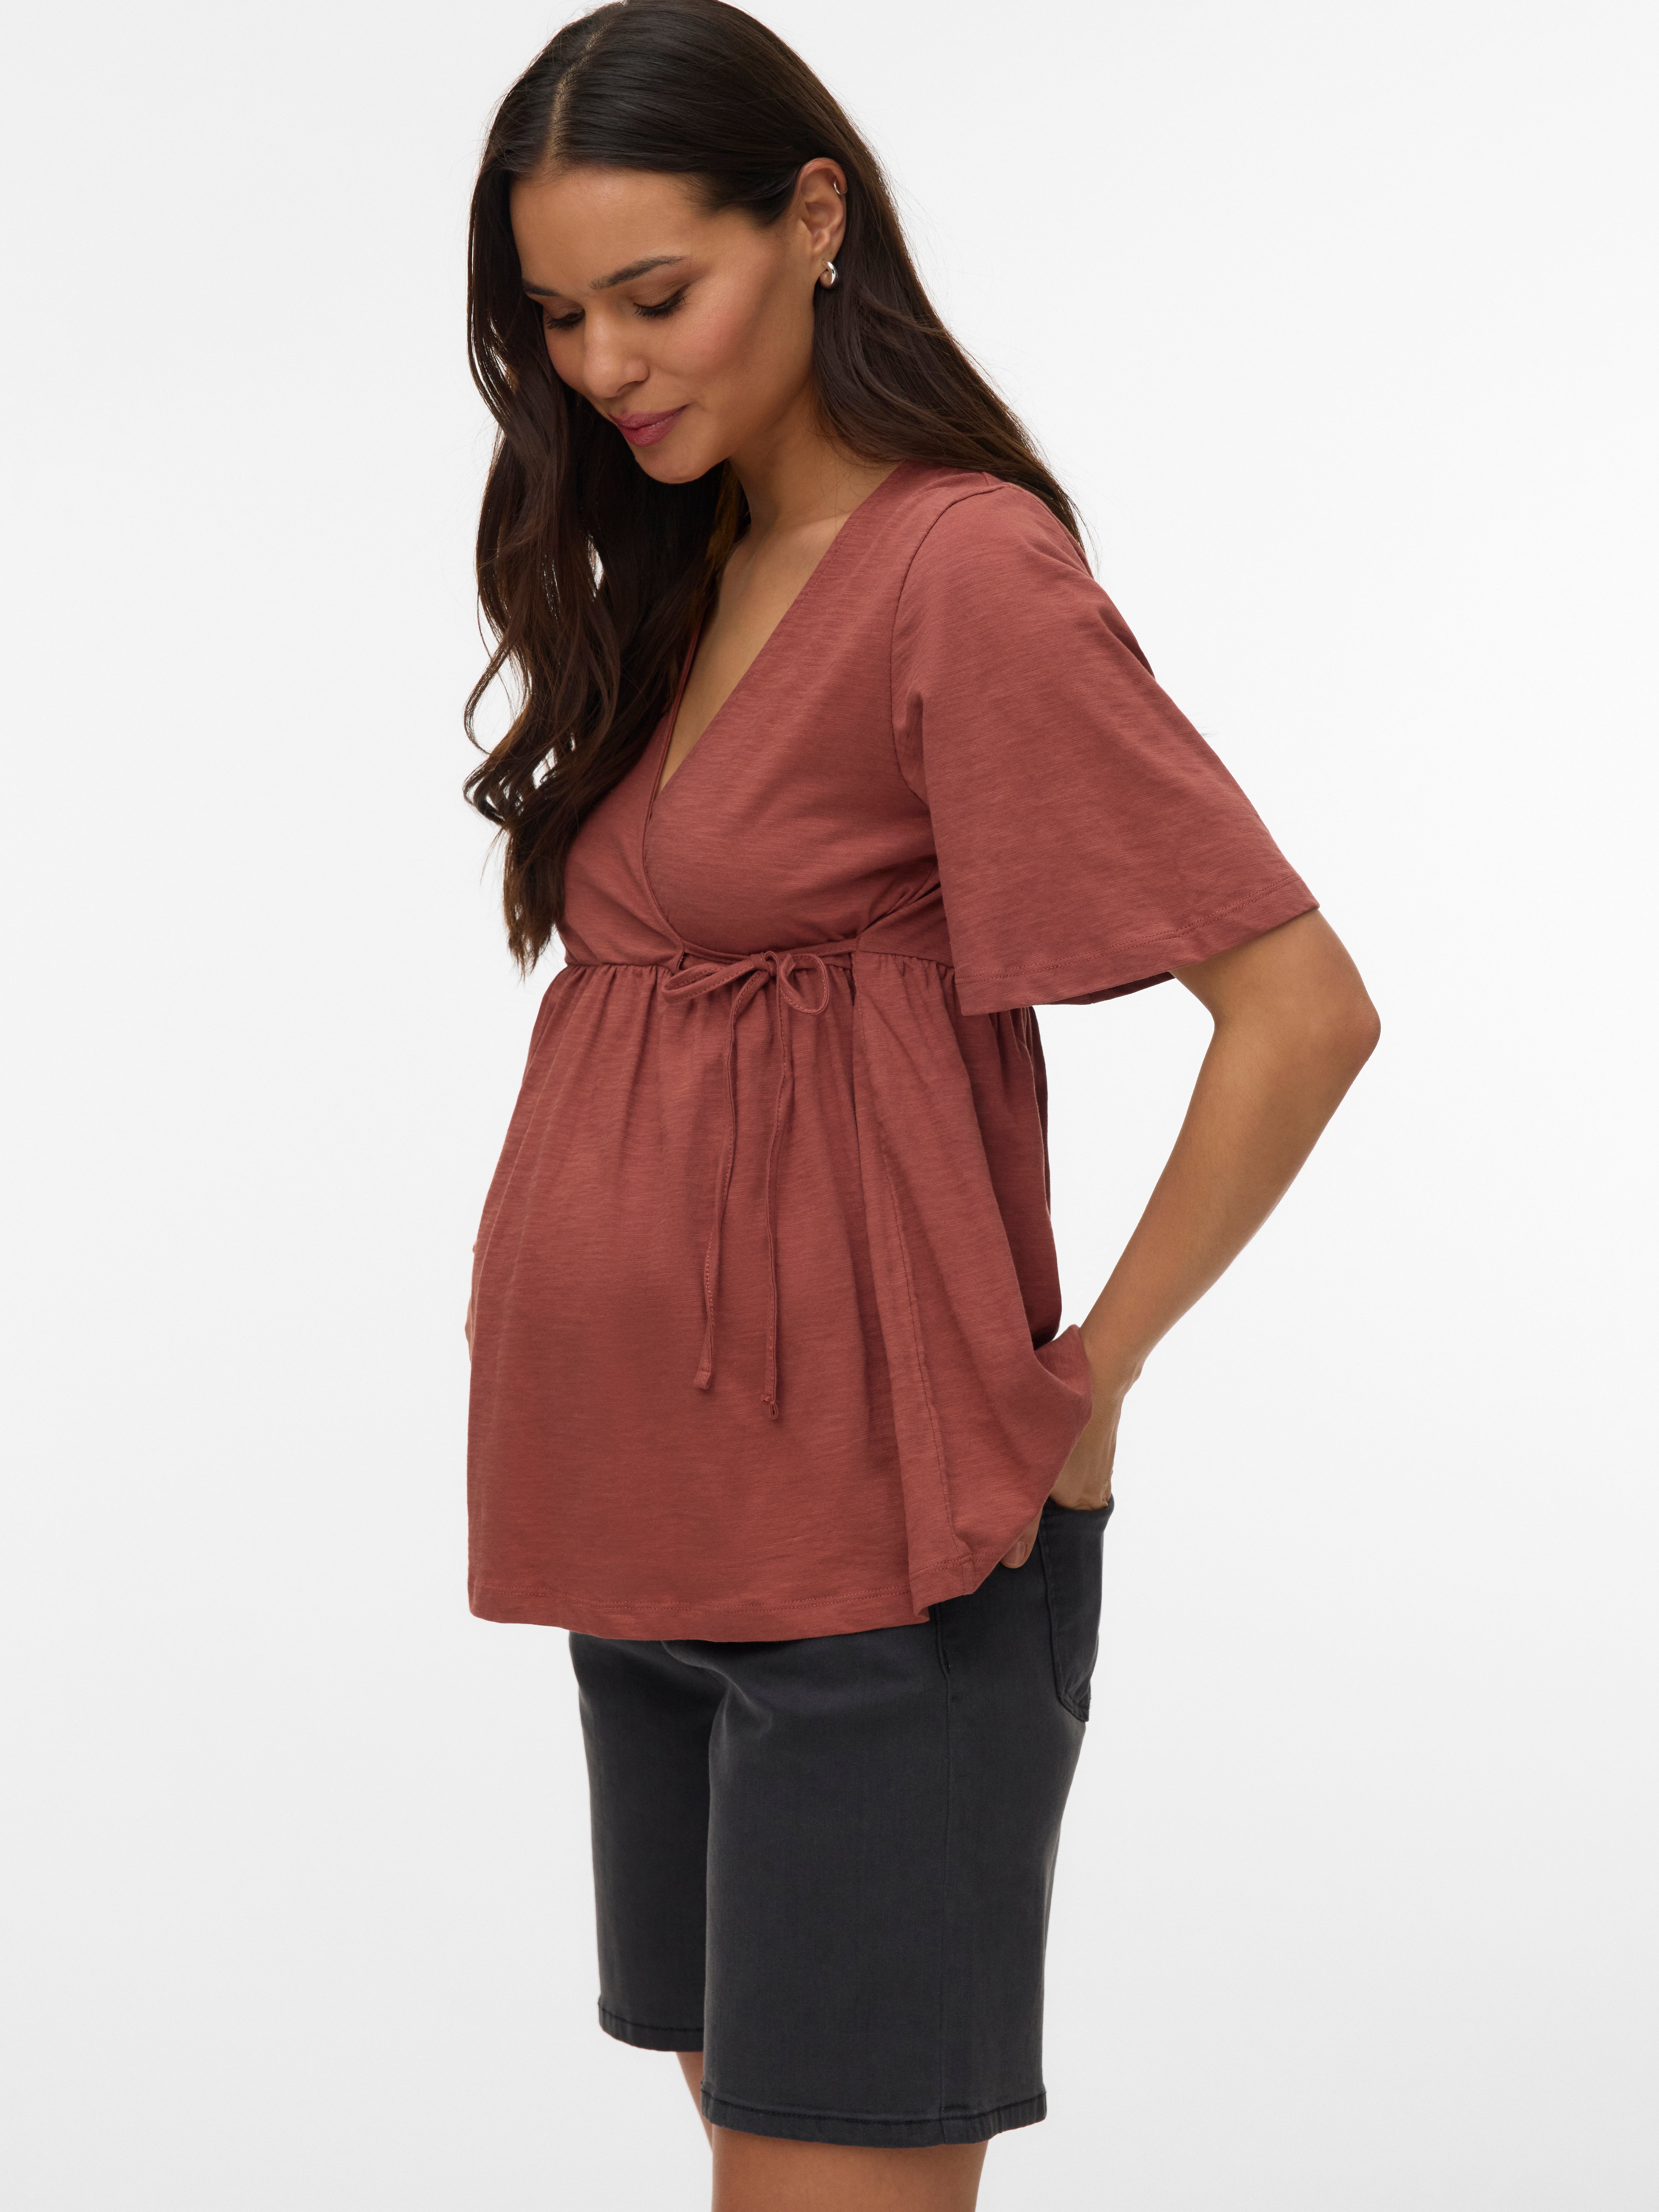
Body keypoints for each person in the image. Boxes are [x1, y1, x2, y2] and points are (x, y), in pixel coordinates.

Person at [460, 4, 1379, 2206]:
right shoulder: (682, 567)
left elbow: (1301, 1010)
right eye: (561, 318)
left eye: (653, 296)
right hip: (650, 1528)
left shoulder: (961, 573)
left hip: (888, 1554)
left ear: (815, 217)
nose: (605, 367)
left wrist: (1089, 1380)